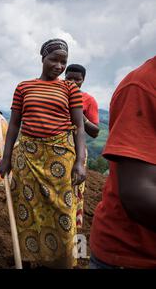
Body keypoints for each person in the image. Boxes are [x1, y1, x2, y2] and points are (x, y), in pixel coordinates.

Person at [0, 38, 86, 269]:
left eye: (63, 62)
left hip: (60, 158)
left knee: (62, 211)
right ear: (42, 58)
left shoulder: (69, 88)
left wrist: (80, 162)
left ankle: (62, 262)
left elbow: (79, 127)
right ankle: (29, 258)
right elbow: (14, 125)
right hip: (27, 157)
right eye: (54, 60)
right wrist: (6, 158)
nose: (59, 66)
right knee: (27, 209)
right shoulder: (24, 87)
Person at [89, 55, 156, 269]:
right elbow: (137, 194)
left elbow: (92, 130)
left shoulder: (86, 100)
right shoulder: (142, 86)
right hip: (133, 255)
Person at [65, 63, 100, 229]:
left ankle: (72, 225)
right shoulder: (58, 93)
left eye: (77, 79)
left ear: (83, 80)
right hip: (54, 148)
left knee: (74, 189)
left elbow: (95, 132)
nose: (72, 82)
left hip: (76, 150)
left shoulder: (89, 100)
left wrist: (80, 117)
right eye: (69, 78)